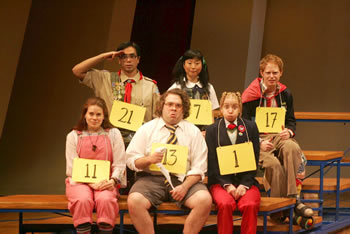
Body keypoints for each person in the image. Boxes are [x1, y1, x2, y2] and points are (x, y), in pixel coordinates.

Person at [126, 88, 212, 234]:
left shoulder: (193, 132)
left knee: (204, 200)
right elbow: (131, 160)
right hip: (151, 179)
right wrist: (149, 159)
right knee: (134, 201)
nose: (173, 108)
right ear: (162, 106)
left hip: (183, 180)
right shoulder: (147, 129)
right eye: (169, 104)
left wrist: (184, 187)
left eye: (178, 105)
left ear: (183, 109)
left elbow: (200, 167)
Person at [242, 54, 313, 220]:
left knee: (292, 147)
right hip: (257, 139)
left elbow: (291, 121)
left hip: (278, 136)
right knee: (274, 164)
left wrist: (288, 132)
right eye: (268, 73)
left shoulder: (286, 93)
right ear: (262, 73)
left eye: (275, 73)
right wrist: (258, 143)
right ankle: (279, 209)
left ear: (280, 73)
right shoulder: (250, 95)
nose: (272, 76)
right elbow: (244, 126)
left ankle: (292, 199)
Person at [72, 41, 160, 145]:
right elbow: (77, 71)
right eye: (123, 56)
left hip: (138, 141)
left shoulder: (150, 86)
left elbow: (157, 118)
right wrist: (103, 56)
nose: (128, 60)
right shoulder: (105, 78)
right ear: (119, 60)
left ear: (138, 59)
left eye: (132, 56)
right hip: (108, 138)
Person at [65, 97, 126, 234]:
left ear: (104, 116)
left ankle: (106, 231)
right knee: (82, 199)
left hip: (106, 182)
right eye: (91, 114)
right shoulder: (73, 136)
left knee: (106, 199)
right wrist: (91, 183)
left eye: (98, 114)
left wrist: (112, 180)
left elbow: (120, 162)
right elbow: (72, 166)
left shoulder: (114, 134)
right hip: (80, 181)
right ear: (85, 115)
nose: (94, 118)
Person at [206, 92, 260, 234]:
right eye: (226, 107)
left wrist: (245, 184)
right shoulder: (211, 130)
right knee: (225, 203)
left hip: (245, 181)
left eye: (235, 107)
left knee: (250, 204)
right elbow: (212, 164)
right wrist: (227, 185)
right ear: (221, 109)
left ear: (240, 109)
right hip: (220, 182)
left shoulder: (251, 127)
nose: (230, 110)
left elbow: (254, 159)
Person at [169, 49, 220, 117]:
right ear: (184, 65)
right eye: (189, 63)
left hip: (203, 127)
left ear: (202, 65)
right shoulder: (177, 86)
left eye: (197, 63)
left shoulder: (209, 87)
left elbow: (215, 110)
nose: (193, 67)